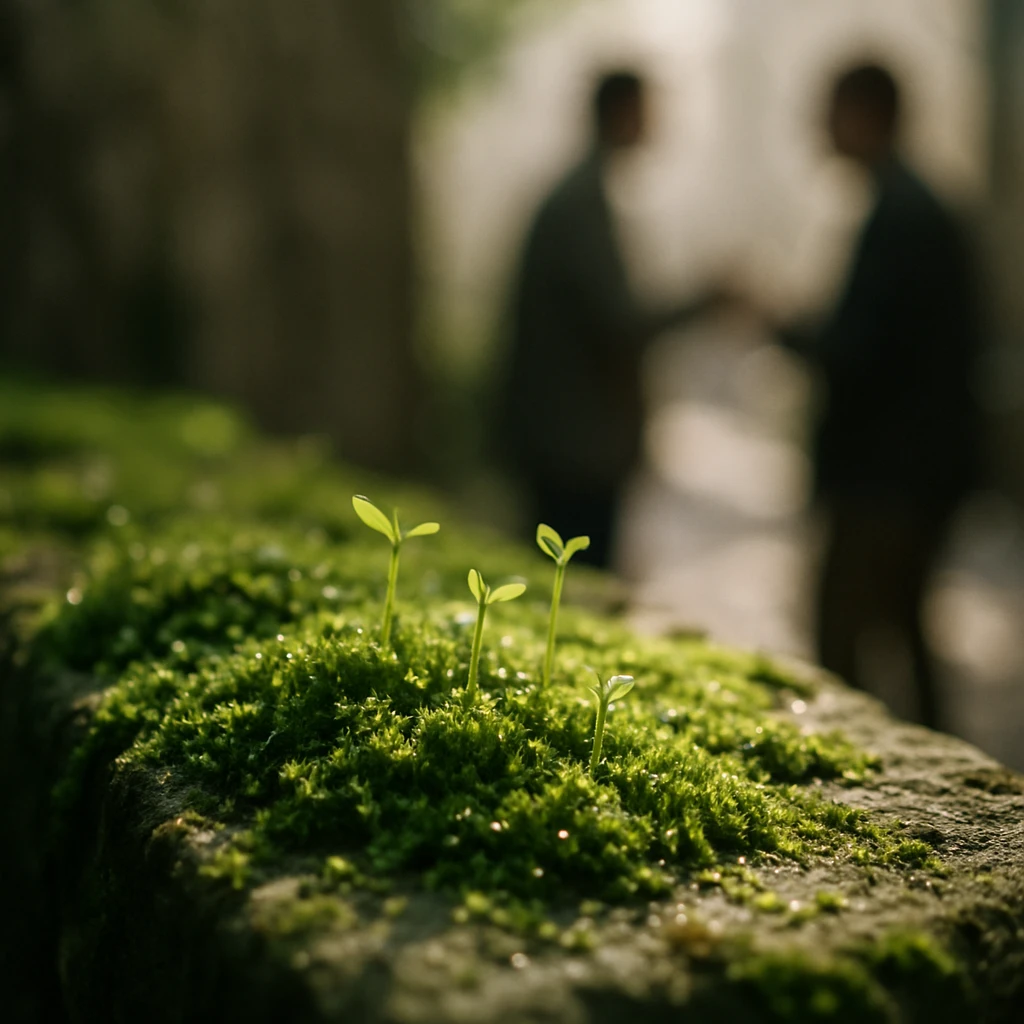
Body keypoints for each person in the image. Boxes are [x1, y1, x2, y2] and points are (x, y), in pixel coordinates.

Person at [780, 62, 982, 728]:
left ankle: (857, 764)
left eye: (831, 110)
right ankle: (939, 759)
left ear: (867, 113)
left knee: (844, 636)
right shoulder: (915, 206)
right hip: (914, 471)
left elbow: (857, 349)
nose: (820, 127)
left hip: (885, 478)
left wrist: (782, 325)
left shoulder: (901, 216)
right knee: (903, 629)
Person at [495, 70, 720, 568]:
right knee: (572, 579)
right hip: (573, 448)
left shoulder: (583, 194)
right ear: (622, 112)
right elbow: (618, 320)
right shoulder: (581, 204)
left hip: (569, 441)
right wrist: (701, 301)